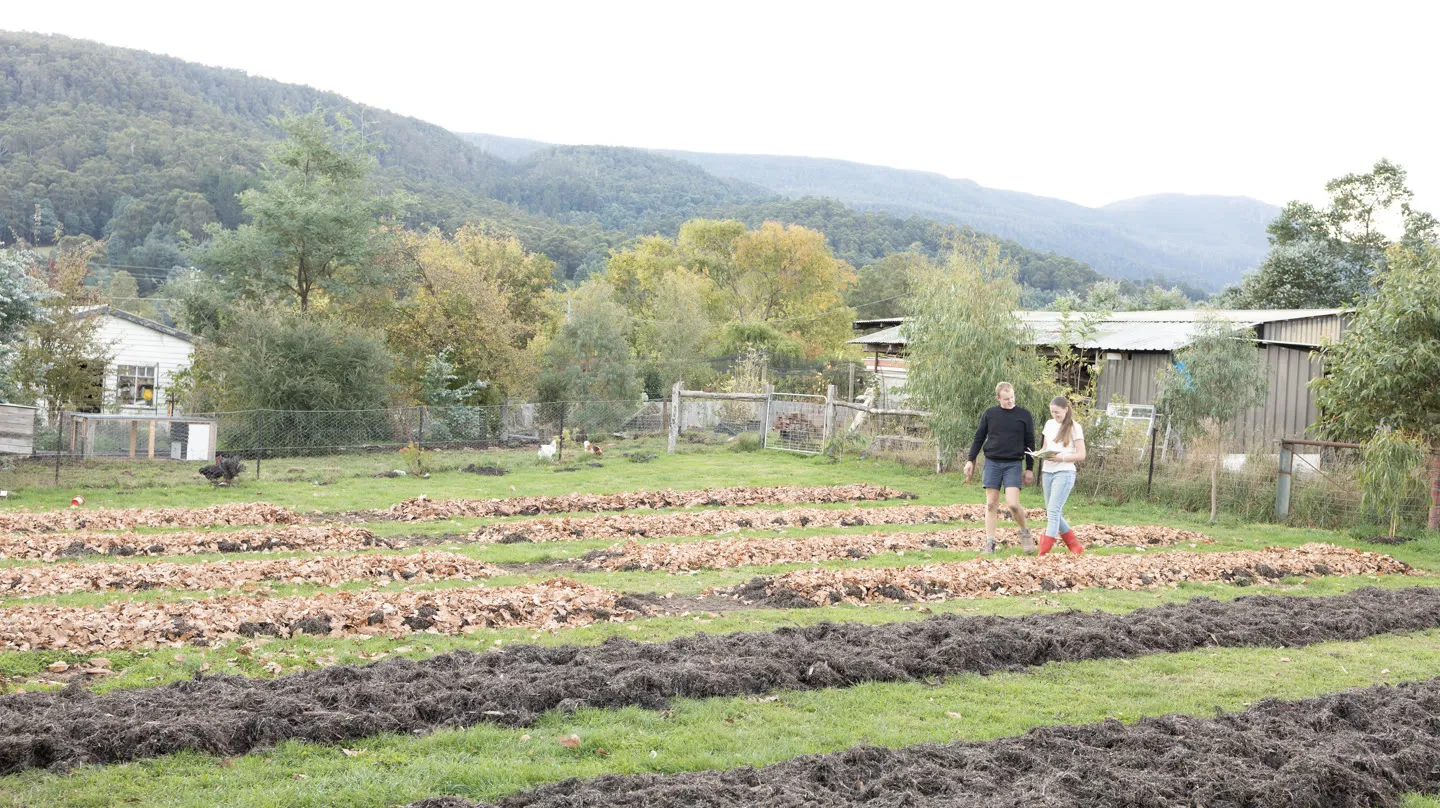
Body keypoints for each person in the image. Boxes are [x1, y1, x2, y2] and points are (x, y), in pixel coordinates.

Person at [963, 382, 1035, 554]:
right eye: (1006, 399)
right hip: (992, 462)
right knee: (990, 504)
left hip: (1013, 464)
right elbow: (979, 437)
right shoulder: (990, 414)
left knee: (1013, 504)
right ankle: (990, 542)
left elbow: (1030, 443)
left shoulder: (1024, 415)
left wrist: (1030, 468)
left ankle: (1024, 532)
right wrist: (970, 460)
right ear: (998, 398)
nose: (1009, 401)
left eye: (1011, 398)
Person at [1038, 395, 1086, 555]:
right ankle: (1075, 546)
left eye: (1057, 412)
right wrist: (1038, 454)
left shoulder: (1074, 427)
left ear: (1066, 409)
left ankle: (1043, 552)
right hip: (1048, 471)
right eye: (1052, 412)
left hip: (1064, 471)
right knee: (1052, 511)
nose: (1054, 415)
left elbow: (1081, 454)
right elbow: (1046, 447)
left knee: (1053, 511)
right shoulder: (1049, 424)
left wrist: (1061, 457)